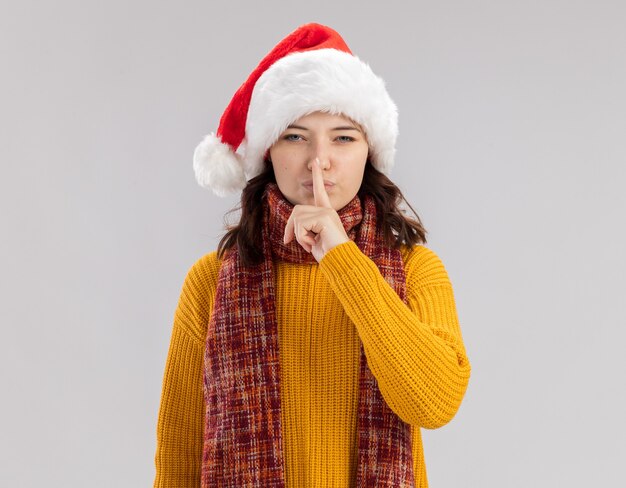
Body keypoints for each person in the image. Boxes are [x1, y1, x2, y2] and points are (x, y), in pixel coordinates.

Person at [154, 23, 471, 488]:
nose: (318, 160)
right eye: (295, 137)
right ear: (268, 152)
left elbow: (435, 401)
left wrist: (340, 256)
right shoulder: (210, 282)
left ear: (369, 153)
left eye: (343, 138)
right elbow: (180, 454)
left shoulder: (415, 270)